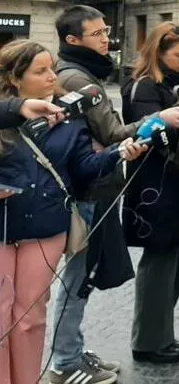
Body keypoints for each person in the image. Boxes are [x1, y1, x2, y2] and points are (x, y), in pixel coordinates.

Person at [48, 4, 179, 384]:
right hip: (89, 190)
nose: (107, 38)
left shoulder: (76, 72)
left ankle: (71, 352)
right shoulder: (80, 80)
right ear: (73, 40)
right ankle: (64, 362)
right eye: (97, 34)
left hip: (89, 186)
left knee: (82, 278)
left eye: (106, 31)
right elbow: (113, 135)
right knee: (77, 280)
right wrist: (162, 119)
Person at [0, 40, 144, 384]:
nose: (53, 76)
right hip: (2, 225)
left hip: (47, 226)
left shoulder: (68, 115)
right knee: (1, 317)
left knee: (31, 316)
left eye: (52, 68)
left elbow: (82, 167)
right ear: (16, 79)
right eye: (41, 71)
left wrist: (118, 154)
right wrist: (18, 109)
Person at [121, 22, 179, 364]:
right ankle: (148, 342)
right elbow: (152, 138)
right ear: (158, 53)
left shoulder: (174, 84)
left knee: (174, 261)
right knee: (159, 263)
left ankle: (161, 334)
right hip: (155, 189)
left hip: (177, 185)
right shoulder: (144, 87)